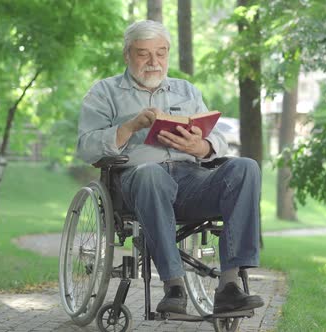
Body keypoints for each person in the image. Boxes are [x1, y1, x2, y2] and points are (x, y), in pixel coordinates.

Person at [77, 20, 263, 315]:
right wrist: (130, 126)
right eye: (143, 54)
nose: (154, 62)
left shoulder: (186, 91)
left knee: (246, 167)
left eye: (161, 53)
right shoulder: (104, 92)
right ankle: (173, 286)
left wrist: (200, 147)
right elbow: (86, 147)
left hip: (190, 179)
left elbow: (216, 137)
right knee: (151, 174)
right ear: (127, 54)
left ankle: (229, 286)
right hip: (135, 183)